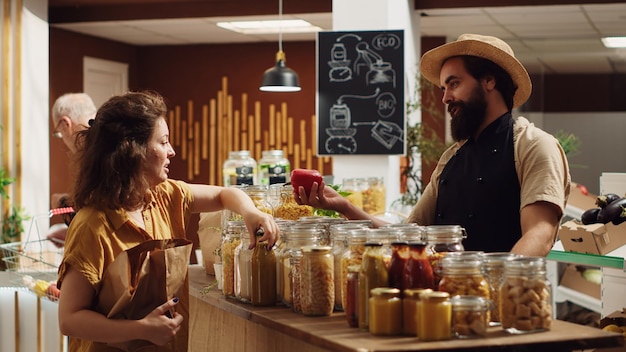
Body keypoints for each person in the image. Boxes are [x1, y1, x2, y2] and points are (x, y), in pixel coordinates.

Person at [295, 33, 570, 257]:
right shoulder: (451, 158)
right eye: (443, 89)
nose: (445, 99)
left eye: (454, 84)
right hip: (440, 302)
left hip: (504, 309)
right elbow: (408, 234)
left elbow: (540, 235)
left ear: (489, 80)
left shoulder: (534, 146)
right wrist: (345, 207)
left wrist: (491, 289)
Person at [57, 90, 279, 351]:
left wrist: (250, 212)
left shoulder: (167, 196)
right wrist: (141, 329)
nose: (172, 151)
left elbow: (223, 194)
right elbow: (69, 319)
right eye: (163, 143)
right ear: (133, 151)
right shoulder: (92, 225)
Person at [48, 93, 98, 245]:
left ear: (65, 124)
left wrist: (63, 201)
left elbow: (102, 213)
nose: (62, 140)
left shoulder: (96, 153)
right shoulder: (108, 138)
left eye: (59, 133)